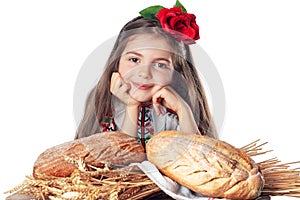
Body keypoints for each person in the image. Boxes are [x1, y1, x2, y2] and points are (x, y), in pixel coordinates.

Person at [75, 4, 218, 148]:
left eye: (160, 65)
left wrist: (183, 110)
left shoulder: (173, 114)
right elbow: (121, 159)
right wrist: (132, 106)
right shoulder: (104, 106)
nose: (144, 73)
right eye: (134, 60)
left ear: (176, 73)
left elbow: (197, 158)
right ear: (117, 62)